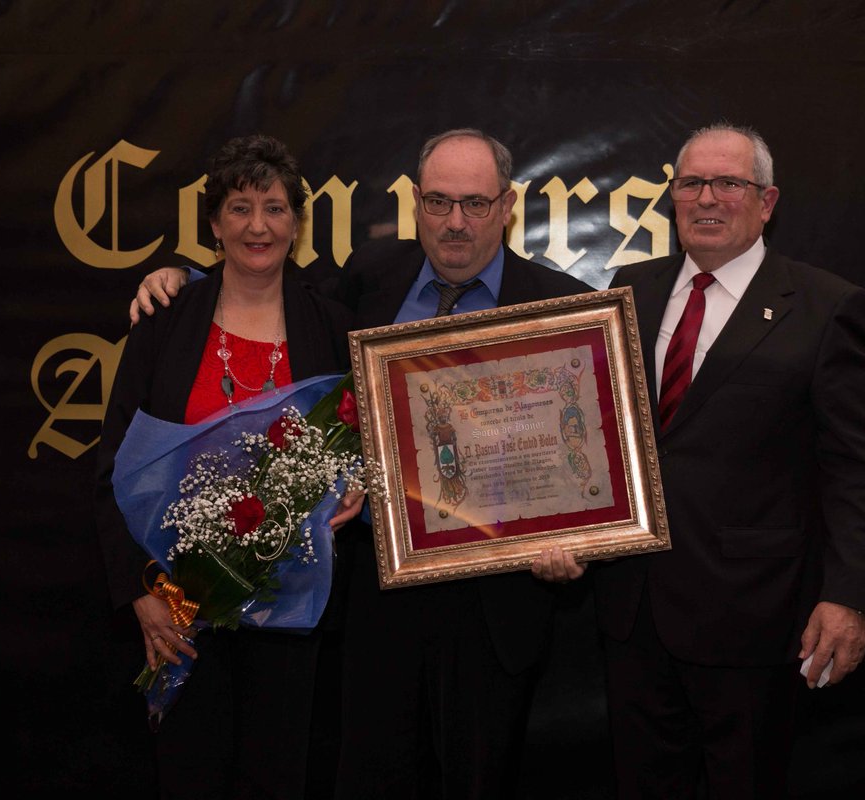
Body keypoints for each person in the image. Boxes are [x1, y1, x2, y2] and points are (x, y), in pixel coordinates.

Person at [131, 129, 591, 798]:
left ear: (508, 205)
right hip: (372, 597)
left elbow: (587, 460)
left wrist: (576, 538)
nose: (455, 222)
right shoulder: (371, 277)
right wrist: (183, 277)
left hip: (496, 605)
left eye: (474, 203)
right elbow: (264, 290)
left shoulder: (562, 305)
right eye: (437, 201)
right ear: (414, 202)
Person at [593, 122, 865, 798]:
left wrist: (848, 597)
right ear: (673, 197)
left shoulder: (825, 307)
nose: (707, 198)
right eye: (692, 183)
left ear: (767, 201)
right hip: (631, 610)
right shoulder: (627, 289)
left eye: (729, 183)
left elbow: (858, 470)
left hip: (756, 618)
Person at [95, 133, 356, 799]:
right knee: (190, 777)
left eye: (273, 208)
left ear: (297, 223)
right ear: (213, 224)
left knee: (279, 779)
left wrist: (358, 487)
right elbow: (114, 466)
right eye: (239, 208)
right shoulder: (167, 317)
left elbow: (361, 442)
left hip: (290, 614)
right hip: (181, 607)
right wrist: (140, 593)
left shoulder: (330, 325)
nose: (257, 226)